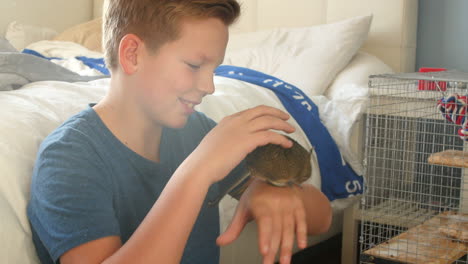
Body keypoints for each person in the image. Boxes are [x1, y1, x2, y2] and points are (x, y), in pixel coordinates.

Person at [27, 0, 332, 263]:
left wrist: (268, 190)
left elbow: (322, 218)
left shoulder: (195, 132)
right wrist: (198, 171)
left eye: (214, 70)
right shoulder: (69, 159)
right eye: (194, 65)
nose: (209, 86)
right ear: (132, 54)